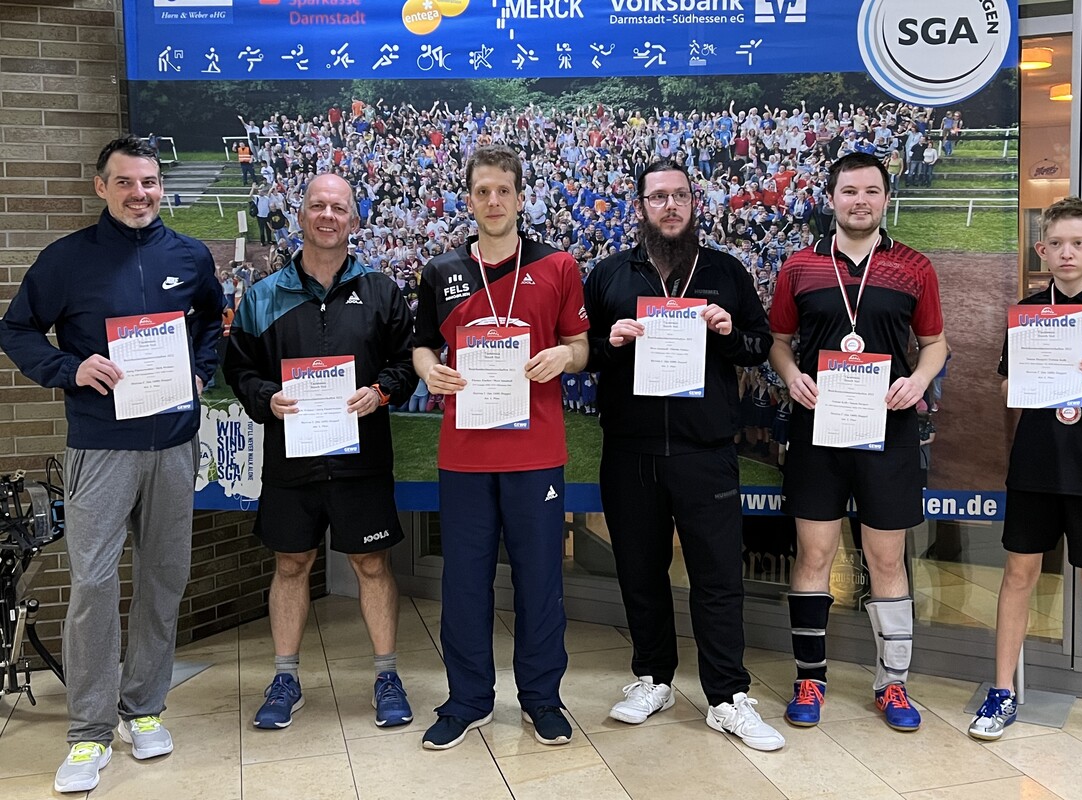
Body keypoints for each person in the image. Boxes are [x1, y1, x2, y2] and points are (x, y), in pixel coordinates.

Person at [0, 135, 223, 793]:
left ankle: (144, 707)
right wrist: (68, 368)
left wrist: (199, 372)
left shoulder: (189, 255)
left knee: (163, 579)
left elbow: (210, 323)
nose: (138, 194)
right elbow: (15, 329)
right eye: (124, 182)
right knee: (94, 584)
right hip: (100, 448)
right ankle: (89, 732)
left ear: (161, 187)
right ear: (101, 187)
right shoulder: (66, 260)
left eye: (148, 182)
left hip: (174, 445)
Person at [583, 160, 785, 752]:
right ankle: (653, 679)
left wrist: (728, 331)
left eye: (679, 196)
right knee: (639, 571)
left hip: (705, 451)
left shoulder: (724, 271)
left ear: (694, 204)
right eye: (658, 197)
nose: (669, 206)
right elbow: (582, 350)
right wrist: (610, 341)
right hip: (631, 450)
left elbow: (759, 345)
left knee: (717, 578)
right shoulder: (611, 274)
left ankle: (726, 696)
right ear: (641, 207)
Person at [223, 173, 418, 732]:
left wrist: (381, 391)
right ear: (301, 214)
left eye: (338, 208)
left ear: (354, 219)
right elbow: (239, 369)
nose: (328, 216)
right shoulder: (263, 295)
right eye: (317, 206)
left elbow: (406, 361)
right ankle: (285, 678)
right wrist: (266, 397)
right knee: (291, 564)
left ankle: (386, 675)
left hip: (362, 460)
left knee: (372, 564)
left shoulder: (380, 291)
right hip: (293, 460)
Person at [413, 144, 589, 750]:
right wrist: (429, 370)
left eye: (503, 191)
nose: (493, 201)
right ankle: (467, 700)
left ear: (520, 197)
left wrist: (564, 355)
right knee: (464, 581)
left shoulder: (557, 265)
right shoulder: (441, 271)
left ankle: (542, 698)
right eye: (482, 191)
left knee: (540, 580)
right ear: (469, 199)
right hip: (464, 453)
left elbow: (581, 345)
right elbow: (421, 344)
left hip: (535, 452)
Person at [969, 198, 1082, 764]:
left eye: (1078, 243)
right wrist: (1028, 378)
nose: (1067, 253)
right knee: (1018, 577)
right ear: (1042, 250)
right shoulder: (1028, 312)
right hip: (1035, 469)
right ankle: (1002, 692)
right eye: (1057, 244)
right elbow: (1006, 388)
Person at [767, 152, 947, 732]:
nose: (860, 201)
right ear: (831, 198)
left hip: (888, 428)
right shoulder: (799, 266)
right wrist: (790, 376)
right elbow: (778, 339)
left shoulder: (914, 266)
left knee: (886, 558)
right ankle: (809, 679)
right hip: (818, 428)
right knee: (813, 555)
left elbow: (935, 343)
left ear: (886, 198)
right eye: (849, 191)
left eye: (871, 191)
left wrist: (918, 381)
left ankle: (892, 684)